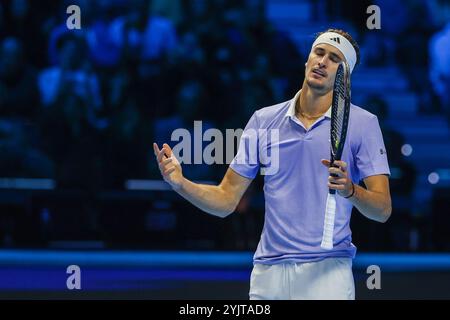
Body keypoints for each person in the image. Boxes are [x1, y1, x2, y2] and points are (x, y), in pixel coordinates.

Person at [153, 28, 392, 300]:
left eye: (335, 58)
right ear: (307, 60)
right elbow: (225, 200)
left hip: (328, 275)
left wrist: (351, 190)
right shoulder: (263, 121)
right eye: (319, 52)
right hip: (268, 274)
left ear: (345, 77)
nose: (323, 62)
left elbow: (382, 209)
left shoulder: (364, 124)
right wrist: (180, 183)